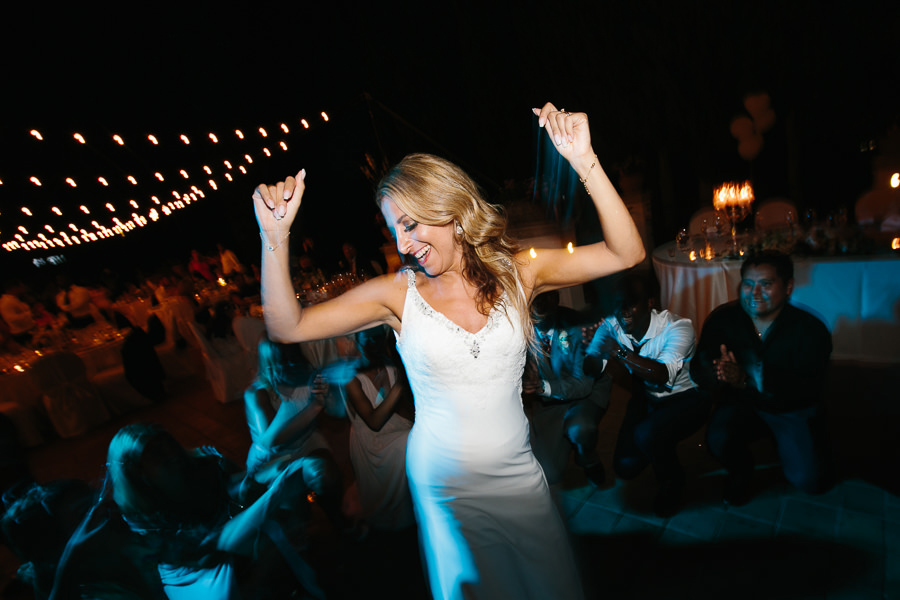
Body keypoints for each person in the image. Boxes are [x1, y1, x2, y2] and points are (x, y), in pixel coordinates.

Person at [252, 102, 645, 600]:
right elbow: (288, 326)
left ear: (451, 212)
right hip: (446, 483)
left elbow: (626, 252)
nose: (404, 241)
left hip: (517, 472)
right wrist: (274, 237)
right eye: (396, 229)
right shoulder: (397, 295)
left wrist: (584, 160)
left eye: (412, 224)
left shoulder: (519, 271)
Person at [690, 251, 834, 506]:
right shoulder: (724, 320)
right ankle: (741, 471)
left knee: (810, 481)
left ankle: (793, 449)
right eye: (748, 283)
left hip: (790, 409)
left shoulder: (810, 330)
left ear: (788, 287)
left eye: (765, 284)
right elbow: (698, 369)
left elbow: (807, 388)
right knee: (717, 438)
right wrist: (718, 371)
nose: (754, 293)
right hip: (742, 404)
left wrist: (748, 378)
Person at [584, 271, 707, 517]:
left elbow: (661, 374)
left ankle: (673, 480)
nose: (623, 311)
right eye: (619, 304)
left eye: (631, 302)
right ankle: (659, 441)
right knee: (625, 467)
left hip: (687, 399)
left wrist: (617, 352)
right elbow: (591, 369)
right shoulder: (611, 325)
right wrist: (588, 349)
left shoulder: (678, 328)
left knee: (648, 434)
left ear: (650, 302)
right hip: (647, 398)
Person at [523, 289, 610, 488]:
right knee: (549, 475)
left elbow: (583, 384)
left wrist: (541, 386)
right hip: (547, 400)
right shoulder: (519, 326)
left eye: (546, 297)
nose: (539, 304)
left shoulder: (580, 326)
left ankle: (588, 457)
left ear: (557, 297)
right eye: (534, 298)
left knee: (580, 429)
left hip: (585, 395)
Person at [343, 324, 415, 532]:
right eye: (368, 339)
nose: (374, 343)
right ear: (357, 341)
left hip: (395, 426)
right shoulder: (350, 377)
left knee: (421, 436)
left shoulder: (390, 366)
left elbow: (402, 409)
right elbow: (373, 422)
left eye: (378, 338)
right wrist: (401, 383)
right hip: (369, 438)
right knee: (407, 442)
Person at [0, 280, 36, 346]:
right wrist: (30, 314)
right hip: (22, 335)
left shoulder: (14, 299)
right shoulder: (6, 302)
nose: (23, 288)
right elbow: (11, 319)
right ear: (14, 288)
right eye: (21, 286)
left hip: (28, 331)